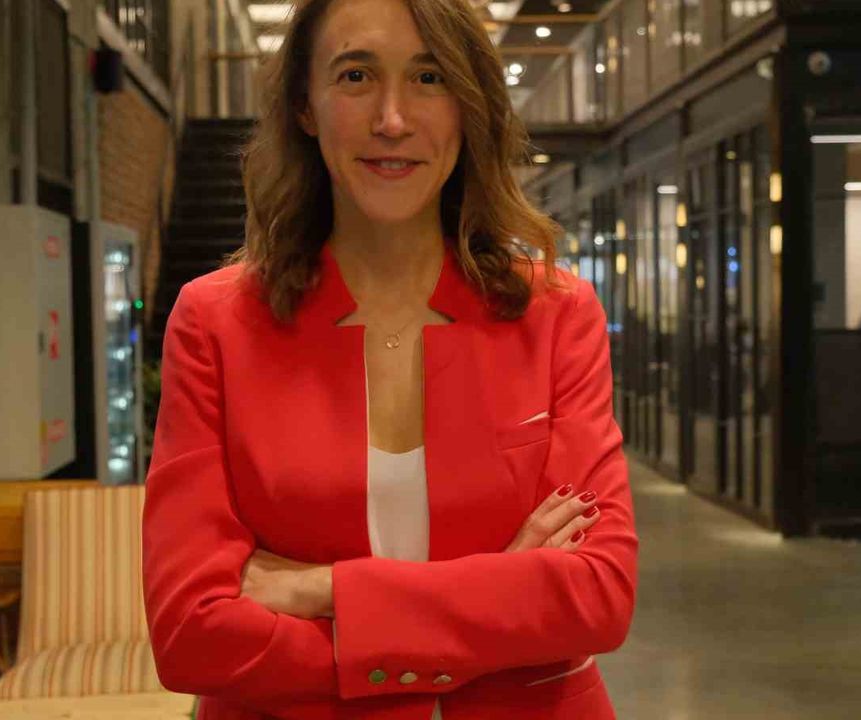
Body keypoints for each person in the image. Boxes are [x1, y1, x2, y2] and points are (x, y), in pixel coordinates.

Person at [141, 1, 637, 718]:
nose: (394, 119)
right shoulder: (215, 323)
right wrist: (501, 599)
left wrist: (324, 590)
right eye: (356, 75)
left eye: (429, 77)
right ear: (304, 107)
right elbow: (190, 635)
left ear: (468, 106)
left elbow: (598, 596)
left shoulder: (556, 314)